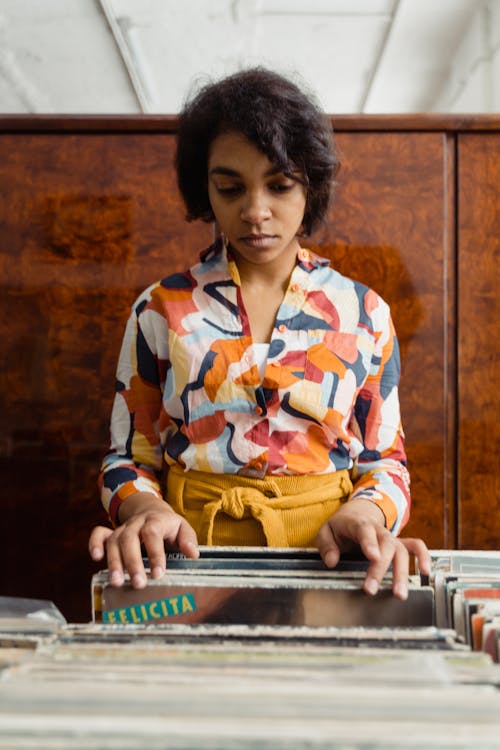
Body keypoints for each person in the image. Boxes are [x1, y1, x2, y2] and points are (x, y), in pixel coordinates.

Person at [89, 67, 430, 599]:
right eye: (230, 188)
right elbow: (127, 459)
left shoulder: (364, 313)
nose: (255, 212)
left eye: (279, 184)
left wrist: (366, 512)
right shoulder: (159, 309)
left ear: (310, 184)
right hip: (184, 562)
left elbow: (386, 461)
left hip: (333, 563)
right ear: (205, 188)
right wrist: (146, 508)